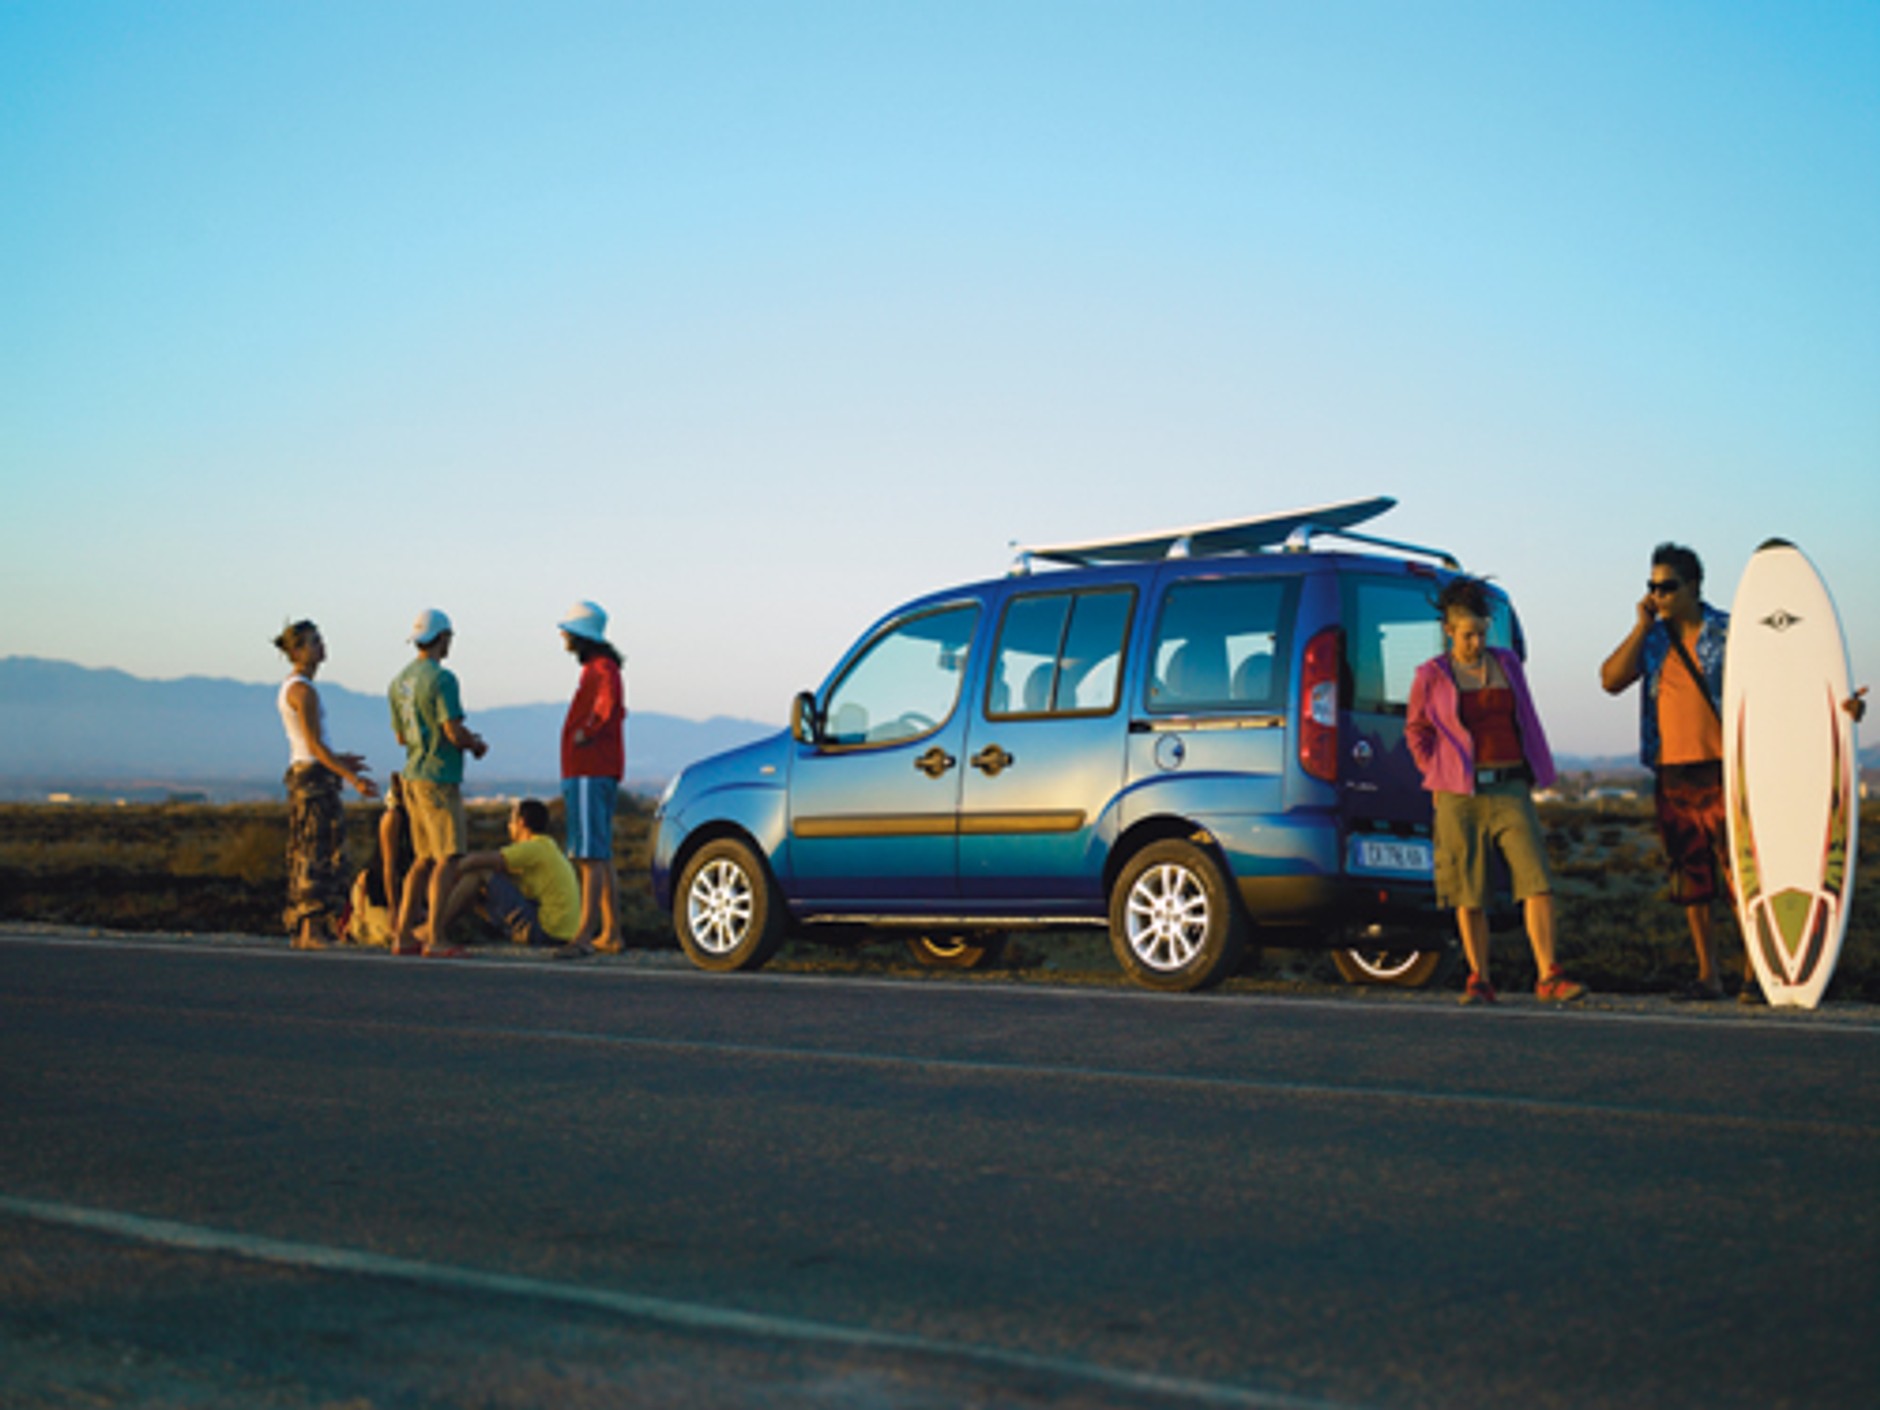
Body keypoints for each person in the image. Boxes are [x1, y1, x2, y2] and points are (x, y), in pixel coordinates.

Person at [1602, 543, 1867, 1003]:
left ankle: (1756, 974)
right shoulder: (1653, 638)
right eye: (1652, 587)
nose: (1658, 595)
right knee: (1691, 879)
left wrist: (1840, 710)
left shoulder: (1732, 632)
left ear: (1693, 587)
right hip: (1672, 772)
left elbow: (1783, 682)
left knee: (1741, 875)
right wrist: (1640, 625)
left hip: (1727, 771)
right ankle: (1708, 975)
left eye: (1667, 587)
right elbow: (1609, 680)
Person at [1407, 578, 1585, 1005]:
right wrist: (1437, 773)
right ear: (1449, 631)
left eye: (1482, 633)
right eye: (1468, 634)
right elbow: (1416, 732)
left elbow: (1525, 716)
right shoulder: (1431, 675)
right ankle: (1479, 978)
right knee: (1468, 891)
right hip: (1459, 796)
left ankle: (1548, 975)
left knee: (1536, 881)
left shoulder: (1507, 663)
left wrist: (1535, 771)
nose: (1476, 642)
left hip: (1509, 788)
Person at [387, 609, 488, 957]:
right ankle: (435, 935)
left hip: (411, 774)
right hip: (439, 777)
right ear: (442, 638)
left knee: (421, 859)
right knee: (448, 858)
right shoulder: (443, 679)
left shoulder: (398, 682)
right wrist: (474, 744)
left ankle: (402, 934)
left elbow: (401, 737)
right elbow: (452, 730)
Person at [273, 620, 378, 950]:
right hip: (313, 779)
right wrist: (352, 778)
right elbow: (315, 746)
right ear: (297, 651)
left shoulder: (296, 687)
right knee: (317, 853)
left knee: (311, 849)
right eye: (314, 642)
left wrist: (341, 761)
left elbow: (313, 744)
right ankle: (311, 929)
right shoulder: (302, 691)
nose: (321, 646)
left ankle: (308, 928)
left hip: (310, 772)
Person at [557, 600, 628, 956]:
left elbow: (608, 705)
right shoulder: (601, 668)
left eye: (567, 631)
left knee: (589, 856)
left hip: (589, 768)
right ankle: (610, 931)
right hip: (594, 769)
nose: (563, 637)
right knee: (600, 854)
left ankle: (584, 934)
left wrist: (588, 730)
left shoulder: (601, 669)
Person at [429, 797, 583, 950]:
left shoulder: (533, 848)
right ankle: (446, 928)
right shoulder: (547, 847)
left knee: (480, 873)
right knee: (483, 881)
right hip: (561, 933)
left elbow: (476, 861)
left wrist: (446, 873)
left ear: (521, 823)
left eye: (511, 821)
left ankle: (434, 929)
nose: (509, 826)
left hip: (545, 932)